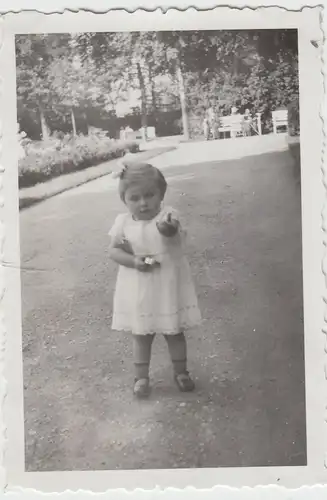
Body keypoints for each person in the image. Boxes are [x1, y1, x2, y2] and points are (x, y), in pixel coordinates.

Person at [108, 159, 201, 398]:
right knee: (142, 334)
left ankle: (181, 372)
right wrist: (135, 261)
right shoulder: (123, 223)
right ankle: (141, 378)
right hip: (140, 285)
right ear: (125, 200)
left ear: (161, 194)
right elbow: (114, 251)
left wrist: (168, 229)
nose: (143, 203)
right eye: (134, 198)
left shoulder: (168, 216)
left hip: (167, 283)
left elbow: (173, 233)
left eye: (149, 195)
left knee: (174, 331)